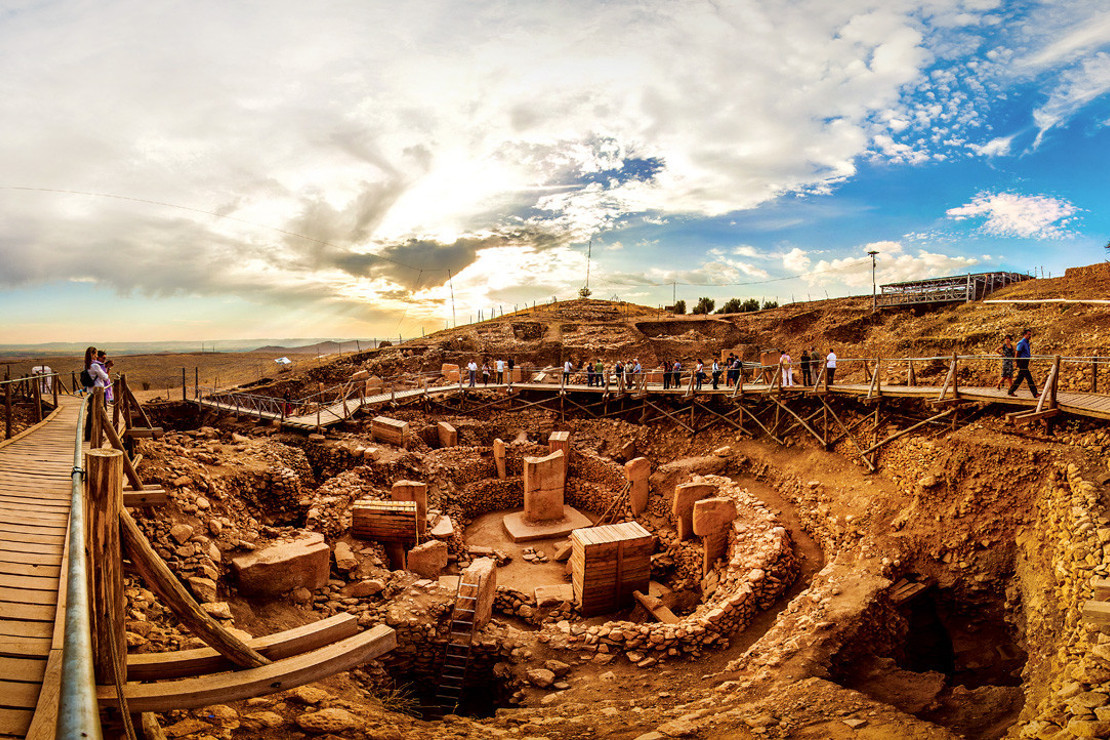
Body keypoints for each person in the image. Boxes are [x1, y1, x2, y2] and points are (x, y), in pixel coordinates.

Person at [1008, 328, 1037, 396]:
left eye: (1030, 334)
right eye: (1028, 334)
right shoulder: (1021, 342)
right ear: (1024, 335)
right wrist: (1017, 362)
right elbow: (1017, 353)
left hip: (1026, 361)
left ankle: (1010, 391)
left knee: (1020, 378)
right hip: (1022, 362)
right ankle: (1035, 393)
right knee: (1029, 378)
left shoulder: (1027, 342)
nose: (1030, 336)